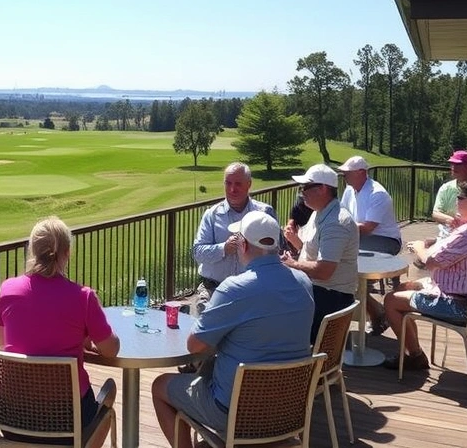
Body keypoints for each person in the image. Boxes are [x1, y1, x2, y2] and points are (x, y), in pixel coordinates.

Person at [151, 212, 314, 448]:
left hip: (237, 415)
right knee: (208, 370)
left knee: (160, 386)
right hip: (289, 411)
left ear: (244, 245)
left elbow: (194, 345)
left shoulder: (234, 289)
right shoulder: (303, 282)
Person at [0, 216, 120, 445]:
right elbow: (111, 350)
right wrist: (82, 335)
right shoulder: (83, 297)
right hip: (67, 423)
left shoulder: (8, 289)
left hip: (11, 419)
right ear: (67, 252)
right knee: (108, 391)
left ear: (32, 250)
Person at [382, 178, 467, 370]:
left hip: (458, 305)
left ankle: (415, 356)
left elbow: (431, 262)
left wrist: (418, 248)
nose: (456, 201)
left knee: (391, 301)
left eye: (460, 197)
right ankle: (412, 349)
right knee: (404, 288)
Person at [282, 164, 359, 341]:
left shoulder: (336, 223)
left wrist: (293, 264)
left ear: (323, 189)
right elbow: (314, 253)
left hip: (329, 299)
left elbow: (324, 270)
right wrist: (295, 249)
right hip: (318, 292)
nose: (302, 193)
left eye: (305, 187)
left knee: (273, 315)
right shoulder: (320, 214)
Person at [191, 162, 280, 314]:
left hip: (252, 289)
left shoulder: (264, 213)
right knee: (203, 331)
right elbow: (198, 253)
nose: (232, 189)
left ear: (249, 184)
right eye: (228, 183)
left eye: (238, 184)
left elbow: (276, 252)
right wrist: (223, 248)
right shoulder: (212, 215)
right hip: (214, 288)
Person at [337, 156, 401, 333]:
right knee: (345, 268)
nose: (344, 176)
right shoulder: (350, 190)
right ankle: (376, 312)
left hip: (385, 240)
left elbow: (368, 227)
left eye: (347, 173)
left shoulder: (377, 193)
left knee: (346, 266)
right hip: (361, 238)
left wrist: (339, 230)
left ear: (362, 173)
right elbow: (343, 215)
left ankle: (375, 313)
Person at [432, 150, 467, 240]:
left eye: (458, 164)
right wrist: (451, 220)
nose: (453, 167)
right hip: (447, 234)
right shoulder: (446, 188)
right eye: (452, 164)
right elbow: (435, 213)